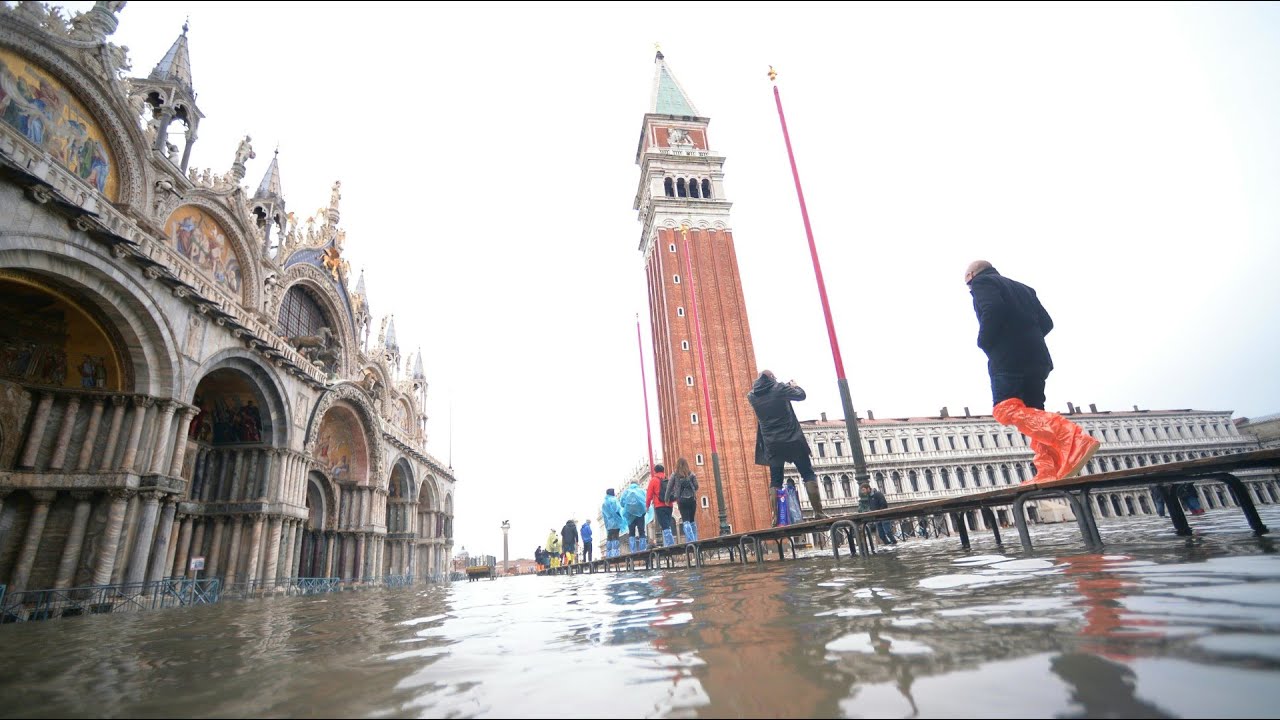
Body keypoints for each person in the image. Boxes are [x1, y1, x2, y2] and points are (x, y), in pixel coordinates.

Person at [965, 260, 1099, 483]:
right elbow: (1047, 323)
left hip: (1008, 358)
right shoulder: (1024, 289)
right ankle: (1049, 469)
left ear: (971, 275)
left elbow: (993, 310)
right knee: (1034, 413)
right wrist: (1028, 338)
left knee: (1005, 409)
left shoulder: (982, 282)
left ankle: (1072, 438)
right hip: (1037, 358)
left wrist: (985, 342)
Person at [748, 370, 826, 524]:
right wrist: (794, 385)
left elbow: (767, 394)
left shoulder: (752, 396)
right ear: (772, 378)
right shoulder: (779, 388)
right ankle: (819, 512)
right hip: (793, 440)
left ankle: (775, 518)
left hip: (772, 444)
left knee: (776, 480)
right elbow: (801, 395)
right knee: (807, 474)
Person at [670, 457, 700, 542]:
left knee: (685, 520)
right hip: (692, 500)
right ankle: (695, 539)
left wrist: (668, 498)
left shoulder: (675, 475)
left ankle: (690, 540)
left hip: (682, 500)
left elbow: (670, 487)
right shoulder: (691, 474)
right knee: (692, 520)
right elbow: (696, 486)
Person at [647, 463, 676, 547]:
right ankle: (668, 543)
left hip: (659, 506)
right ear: (663, 471)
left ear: (655, 471)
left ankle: (670, 544)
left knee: (664, 525)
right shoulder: (668, 479)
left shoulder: (653, 480)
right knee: (668, 524)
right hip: (669, 505)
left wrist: (647, 506)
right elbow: (674, 491)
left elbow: (649, 495)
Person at [620, 475, 648, 553]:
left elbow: (621, 503)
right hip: (640, 514)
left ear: (630, 483)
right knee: (641, 531)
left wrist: (628, 507)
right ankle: (643, 549)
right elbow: (647, 500)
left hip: (630, 515)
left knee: (631, 532)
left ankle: (633, 550)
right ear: (637, 483)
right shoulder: (642, 491)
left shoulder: (626, 492)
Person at [601, 488, 625, 557]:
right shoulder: (614, 500)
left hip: (609, 524)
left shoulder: (604, 503)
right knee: (615, 537)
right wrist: (621, 519)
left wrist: (607, 525)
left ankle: (609, 554)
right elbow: (618, 510)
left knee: (609, 538)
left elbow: (604, 516)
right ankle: (615, 554)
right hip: (616, 522)